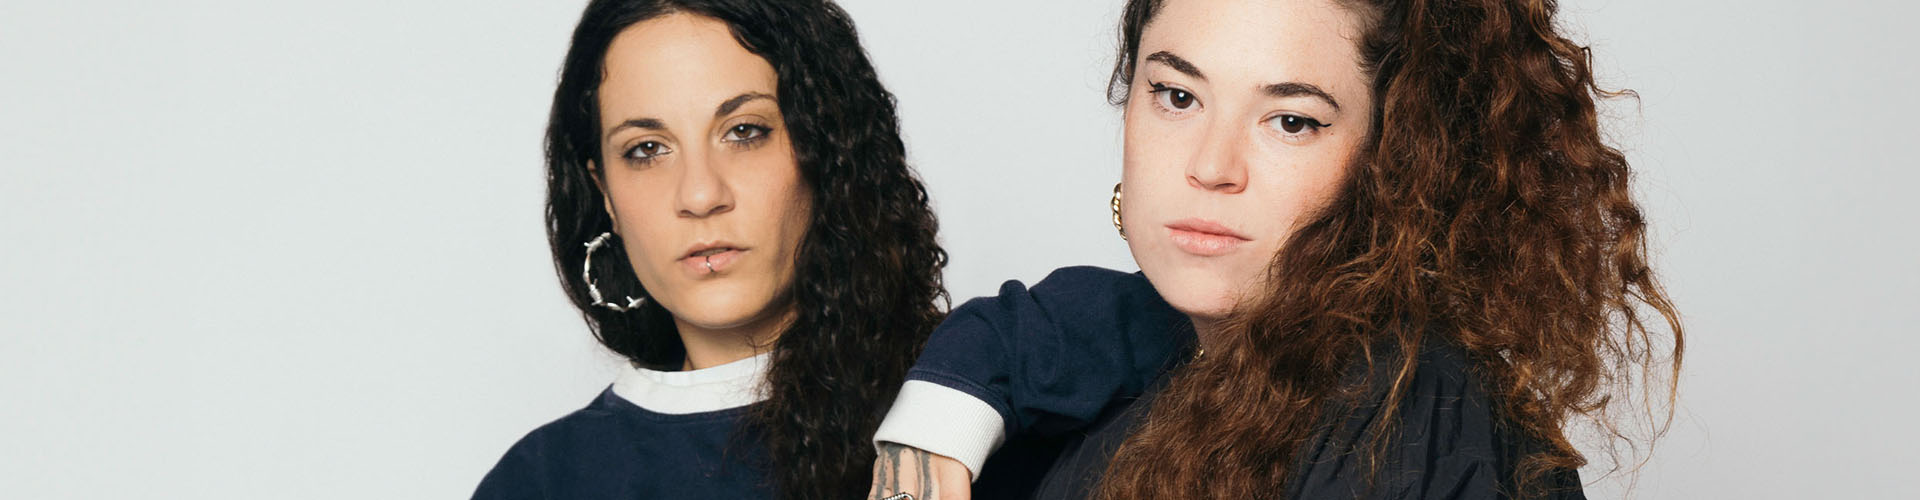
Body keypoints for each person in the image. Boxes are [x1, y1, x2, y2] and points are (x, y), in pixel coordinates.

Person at [869, 0, 1684, 498]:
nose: (1211, 166)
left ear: (1395, 156)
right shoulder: (1159, 358)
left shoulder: (1405, 409)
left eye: (1291, 120)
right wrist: (942, 413)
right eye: (1177, 95)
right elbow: (1075, 322)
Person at [471, 0, 951, 498]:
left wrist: (966, 400)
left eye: (744, 132)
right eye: (647, 149)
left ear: (825, 149)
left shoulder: (960, 404)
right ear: (605, 193)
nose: (700, 196)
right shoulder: (543, 480)